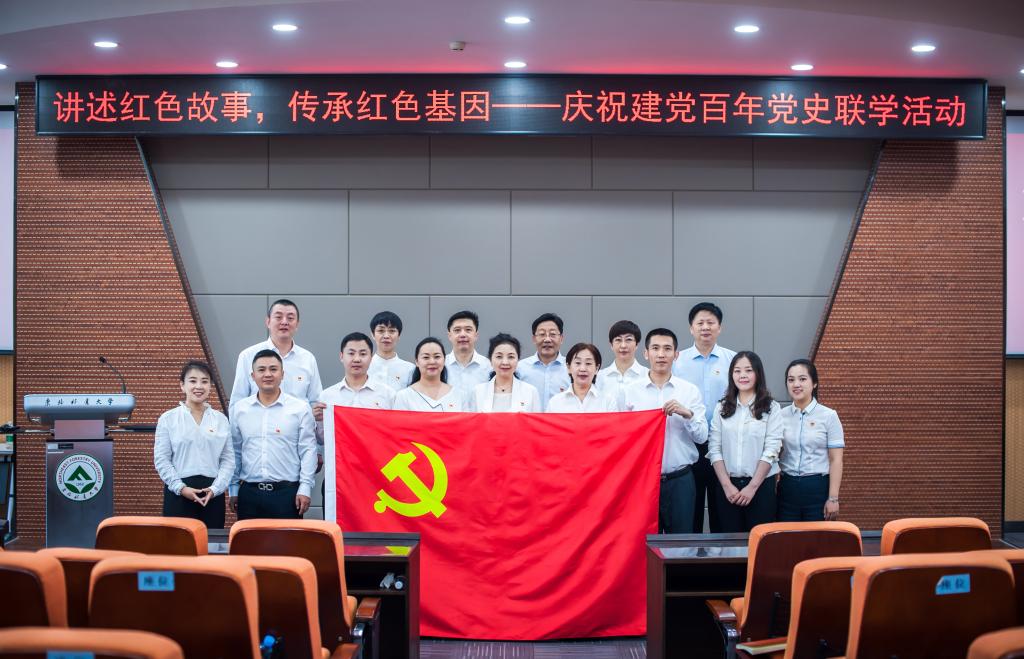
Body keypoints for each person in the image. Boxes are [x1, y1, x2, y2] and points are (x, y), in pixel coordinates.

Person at [622, 328, 708, 534]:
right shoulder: (629, 392)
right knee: (643, 541)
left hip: (680, 480)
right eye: (655, 348)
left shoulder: (689, 391)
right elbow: (622, 437)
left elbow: (702, 436)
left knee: (681, 543)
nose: (661, 354)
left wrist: (687, 414)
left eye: (667, 349)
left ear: (676, 355)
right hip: (642, 480)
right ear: (646, 353)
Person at [229, 349, 318, 520]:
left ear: (282, 374)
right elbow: (235, 451)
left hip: (287, 495)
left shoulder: (299, 409)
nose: (268, 374)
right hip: (249, 494)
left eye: (273, 369)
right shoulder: (240, 409)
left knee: (288, 539)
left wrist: (305, 487)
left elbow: (308, 451)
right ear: (253, 376)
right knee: (248, 538)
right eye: (261, 370)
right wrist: (233, 488)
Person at [673, 302, 737, 533]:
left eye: (711, 322)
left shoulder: (732, 360)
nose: (705, 327)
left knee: (722, 505)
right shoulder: (677, 361)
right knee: (692, 506)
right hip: (689, 442)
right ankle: (692, 555)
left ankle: (721, 555)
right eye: (700, 323)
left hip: (723, 444)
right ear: (691, 328)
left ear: (720, 327)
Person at [707, 351, 782, 532]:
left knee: (760, 542)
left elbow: (771, 450)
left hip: (761, 486)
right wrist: (727, 486)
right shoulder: (722, 407)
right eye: (737, 371)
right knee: (728, 541)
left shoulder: (771, 407)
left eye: (748, 370)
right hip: (728, 487)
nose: (743, 375)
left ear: (758, 373)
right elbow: (714, 448)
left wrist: (752, 487)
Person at [153, 360, 234, 529]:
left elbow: (228, 460)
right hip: (179, 494)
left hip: (211, 495)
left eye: (204, 381)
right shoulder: (168, 418)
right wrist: (181, 488)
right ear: (182, 385)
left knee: (210, 543)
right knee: (178, 543)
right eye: (192, 381)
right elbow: (162, 459)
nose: (199, 386)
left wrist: (216, 488)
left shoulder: (220, 419)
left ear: (210, 386)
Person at [777, 359, 845, 522]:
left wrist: (833, 498)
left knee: (817, 536)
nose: (796, 384)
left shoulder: (829, 416)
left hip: (817, 488)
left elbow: (836, 460)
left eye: (802, 379)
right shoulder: (780, 415)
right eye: (791, 380)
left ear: (814, 383)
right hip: (787, 488)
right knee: (786, 536)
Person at [395, 337, 471, 412]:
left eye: (437, 357)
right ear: (417, 362)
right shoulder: (404, 397)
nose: (432, 361)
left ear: (444, 360)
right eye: (426, 357)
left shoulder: (460, 396)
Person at [471, 333, 541, 412]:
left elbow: (535, 420)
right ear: (490, 360)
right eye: (499, 357)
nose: (505, 362)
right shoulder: (478, 392)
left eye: (511, 357)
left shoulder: (530, 392)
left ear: (518, 360)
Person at [517, 313, 571, 411]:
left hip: (561, 420)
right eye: (542, 334)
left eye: (552, 334)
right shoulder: (520, 368)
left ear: (561, 338)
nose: (547, 339)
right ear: (534, 339)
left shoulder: (571, 368)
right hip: (529, 421)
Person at [548, 342, 619, 413]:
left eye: (588, 363)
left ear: (597, 369)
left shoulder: (608, 402)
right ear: (569, 367)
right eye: (578, 363)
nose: (583, 369)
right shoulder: (555, 403)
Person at [597, 320, 648, 403]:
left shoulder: (648, 376)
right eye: (618, 340)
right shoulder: (599, 377)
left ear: (637, 344)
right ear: (611, 345)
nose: (623, 345)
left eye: (628, 339)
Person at [444, 310, 491, 396]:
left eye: (468, 330)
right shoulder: (441, 366)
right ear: (449, 336)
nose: (462, 334)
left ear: (476, 335)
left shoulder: (489, 366)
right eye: (457, 330)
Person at [366, 311, 415, 391]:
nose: (386, 336)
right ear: (372, 334)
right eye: (381, 331)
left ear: (399, 335)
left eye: (392, 331)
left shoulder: (410, 369)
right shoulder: (364, 367)